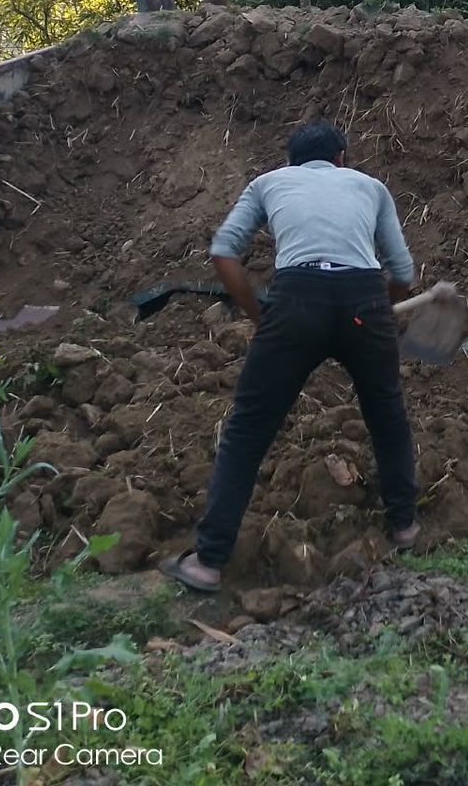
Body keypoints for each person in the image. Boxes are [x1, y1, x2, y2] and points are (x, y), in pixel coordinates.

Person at [164, 122, 421, 592]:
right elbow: (402, 270)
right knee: (387, 418)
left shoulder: (269, 183)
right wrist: (377, 311)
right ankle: (404, 526)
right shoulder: (370, 186)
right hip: (364, 301)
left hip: (294, 303)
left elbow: (223, 252)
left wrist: (259, 315)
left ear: (291, 163)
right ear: (343, 158)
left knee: (247, 430)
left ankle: (208, 561)